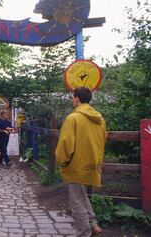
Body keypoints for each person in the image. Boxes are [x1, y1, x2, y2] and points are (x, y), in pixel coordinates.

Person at [55, 87, 106, 237]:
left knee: (76, 200)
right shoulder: (100, 119)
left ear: (76, 99)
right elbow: (103, 140)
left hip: (76, 165)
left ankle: (84, 232)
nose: (72, 100)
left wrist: (62, 161)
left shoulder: (73, 118)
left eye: (73, 98)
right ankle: (93, 223)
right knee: (82, 195)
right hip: (94, 164)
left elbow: (66, 144)